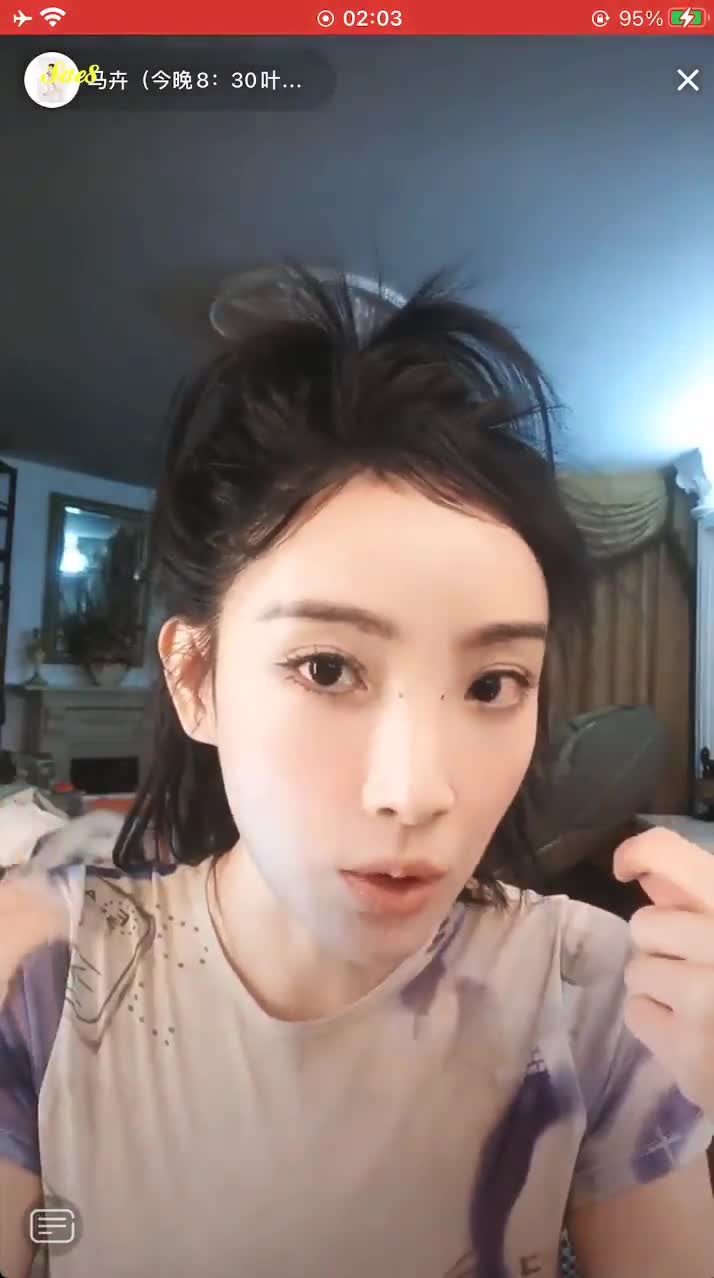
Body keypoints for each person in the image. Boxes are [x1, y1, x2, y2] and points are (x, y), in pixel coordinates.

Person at [0, 269, 713, 1278]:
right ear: (197, 680)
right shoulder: (41, 974)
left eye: (494, 683)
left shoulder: (600, 995)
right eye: (328, 669)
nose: (416, 793)